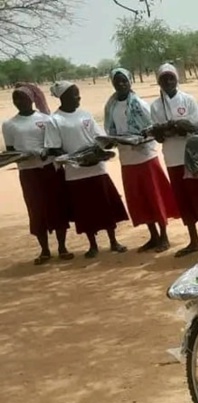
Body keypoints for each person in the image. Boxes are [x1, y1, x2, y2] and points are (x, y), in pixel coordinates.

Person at [47, 82, 129, 258]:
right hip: (75, 173)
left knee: (105, 206)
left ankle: (113, 241)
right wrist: (73, 157)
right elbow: (54, 148)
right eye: (74, 95)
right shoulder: (55, 120)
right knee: (85, 210)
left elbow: (98, 137)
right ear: (63, 97)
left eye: (78, 94)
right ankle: (92, 244)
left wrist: (105, 147)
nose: (79, 98)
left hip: (97, 169)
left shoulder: (85, 115)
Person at [150, 63, 198, 259]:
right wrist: (173, 129)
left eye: (171, 78)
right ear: (159, 82)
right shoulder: (156, 106)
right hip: (172, 159)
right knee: (184, 202)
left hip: (192, 158)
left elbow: (194, 126)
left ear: (176, 79)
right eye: (164, 79)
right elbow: (160, 136)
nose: (168, 82)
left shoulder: (188, 100)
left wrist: (173, 128)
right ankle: (194, 241)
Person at [105, 68, 179, 253]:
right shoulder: (111, 106)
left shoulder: (140, 104)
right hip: (127, 158)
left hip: (145, 157)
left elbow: (152, 129)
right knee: (139, 199)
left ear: (130, 81)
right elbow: (111, 130)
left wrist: (139, 138)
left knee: (154, 197)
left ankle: (164, 236)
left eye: (124, 81)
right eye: (117, 81)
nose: (121, 84)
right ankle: (152, 235)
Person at [3, 84, 73, 265]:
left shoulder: (46, 119)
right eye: (15, 99)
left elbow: (55, 145)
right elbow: (11, 152)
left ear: (32, 100)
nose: (19, 102)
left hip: (50, 170)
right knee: (36, 210)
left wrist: (45, 152)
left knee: (56, 207)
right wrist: (22, 157)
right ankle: (44, 250)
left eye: (23, 98)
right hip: (28, 174)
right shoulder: (9, 125)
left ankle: (62, 247)